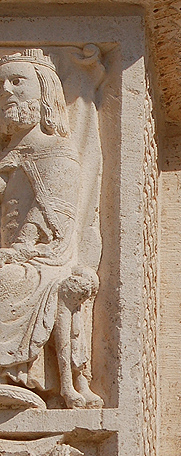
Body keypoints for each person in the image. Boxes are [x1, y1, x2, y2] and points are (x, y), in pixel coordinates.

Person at [0, 49, 101, 408]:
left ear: (44, 93)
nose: (7, 91)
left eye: (17, 82)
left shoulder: (54, 152)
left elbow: (49, 225)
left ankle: (14, 375)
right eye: (1, 85)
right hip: (12, 255)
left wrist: (16, 251)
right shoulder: (8, 155)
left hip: (41, 260)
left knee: (6, 279)